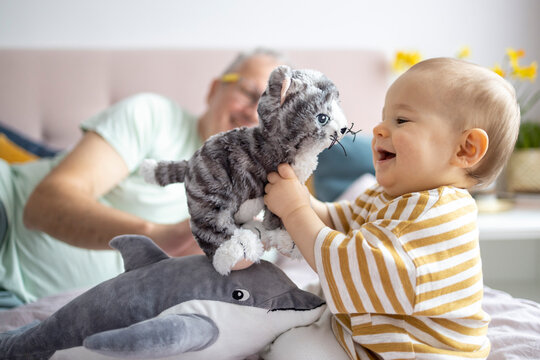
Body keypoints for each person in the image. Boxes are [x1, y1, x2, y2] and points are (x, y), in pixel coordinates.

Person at [264, 57, 520, 359]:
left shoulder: (437, 214)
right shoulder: (392, 195)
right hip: (378, 331)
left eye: (401, 120)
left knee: (293, 349)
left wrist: (295, 211)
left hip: (417, 350)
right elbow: (342, 223)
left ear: (465, 149)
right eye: (383, 118)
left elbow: (351, 264)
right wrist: (304, 200)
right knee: (286, 308)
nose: (379, 129)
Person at [0, 48, 284, 306]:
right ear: (213, 90)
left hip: (22, 302)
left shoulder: (262, 217)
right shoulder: (153, 117)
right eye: (249, 92)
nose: (255, 114)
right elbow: (43, 206)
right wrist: (159, 236)